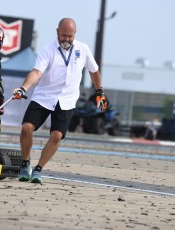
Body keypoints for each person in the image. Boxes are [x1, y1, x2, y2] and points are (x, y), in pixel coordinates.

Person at [13, 18, 108, 184]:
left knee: (56, 136)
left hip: (67, 100)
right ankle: (25, 163)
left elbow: (94, 71)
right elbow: (36, 72)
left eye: (70, 36)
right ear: (57, 32)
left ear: (75, 34)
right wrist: (24, 88)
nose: (67, 39)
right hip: (44, 96)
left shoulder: (83, 49)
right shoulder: (47, 50)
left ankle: (38, 169)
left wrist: (99, 92)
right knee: (27, 128)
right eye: (64, 35)